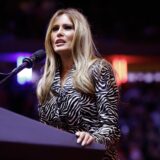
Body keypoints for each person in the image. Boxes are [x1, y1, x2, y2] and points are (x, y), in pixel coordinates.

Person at [36, 8, 120, 160]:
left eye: (67, 27)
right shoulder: (46, 81)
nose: (59, 33)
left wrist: (93, 138)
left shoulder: (99, 68)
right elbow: (45, 132)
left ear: (80, 34)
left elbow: (111, 129)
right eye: (54, 29)